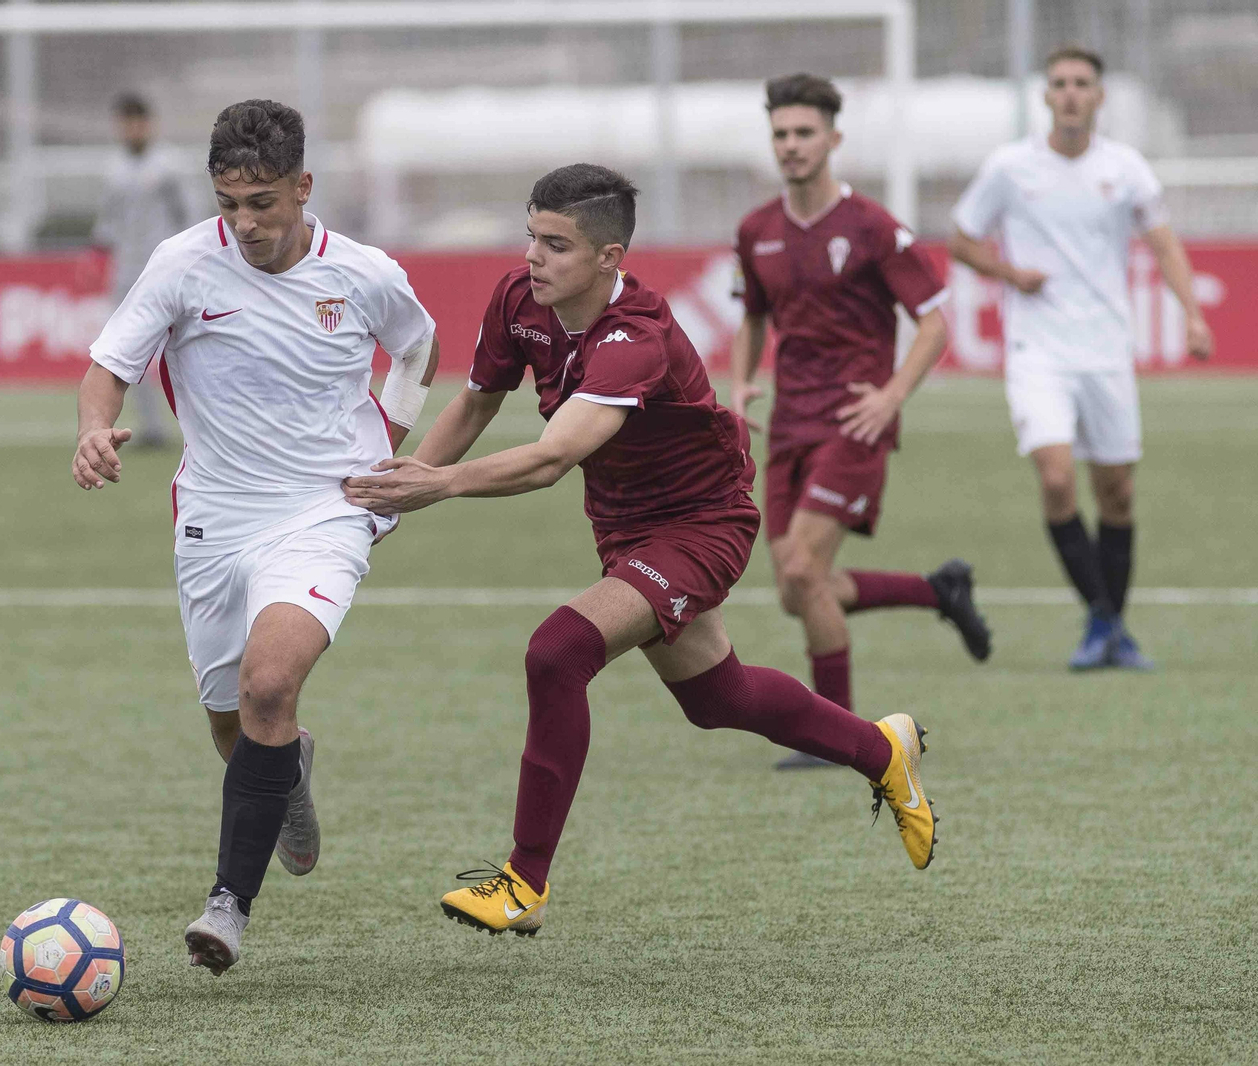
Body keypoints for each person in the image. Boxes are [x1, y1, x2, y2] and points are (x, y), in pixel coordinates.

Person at [344, 164, 936, 938]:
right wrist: (408, 483)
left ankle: (524, 882)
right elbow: (479, 399)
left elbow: (554, 458)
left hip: (702, 524)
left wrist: (441, 486)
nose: (534, 258)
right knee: (717, 700)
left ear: (608, 257)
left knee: (557, 654)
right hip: (625, 526)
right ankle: (880, 748)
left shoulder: (636, 340)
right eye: (531, 236)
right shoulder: (520, 300)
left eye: (557, 245)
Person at [74, 99, 440, 973]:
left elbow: (420, 348)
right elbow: (110, 365)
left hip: (324, 510)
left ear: (304, 188)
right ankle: (291, 771)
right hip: (214, 519)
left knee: (269, 684)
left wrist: (388, 445)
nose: (246, 223)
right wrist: (93, 428)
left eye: (265, 202)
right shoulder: (182, 263)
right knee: (233, 724)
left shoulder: (363, 272)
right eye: (230, 202)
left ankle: (226, 909)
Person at [730, 73, 991, 770]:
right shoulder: (756, 231)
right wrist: (740, 384)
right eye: (781, 134)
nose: (791, 145)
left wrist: (892, 395)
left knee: (806, 570)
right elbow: (753, 315)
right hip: (789, 423)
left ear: (833, 139)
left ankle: (840, 737)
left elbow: (934, 321)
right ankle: (939, 590)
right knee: (796, 587)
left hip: (855, 422)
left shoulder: (873, 226)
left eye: (804, 132)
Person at [949, 46, 1214, 670]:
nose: (1070, 93)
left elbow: (1164, 243)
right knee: (1058, 477)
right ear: (1045, 96)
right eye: (1060, 83)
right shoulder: (1010, 167)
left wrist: (1193, 314)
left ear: (1099, 97)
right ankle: (1103, 621)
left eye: (1082, 84)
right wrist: (1011, 272)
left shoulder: (1125, 168)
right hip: (1037, 349)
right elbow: (962, 239)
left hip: (1106, 350)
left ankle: (1108, 629)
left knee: (1117, 491)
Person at [91, 92, 201, 447]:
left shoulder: (169, 166)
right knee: (124, 352)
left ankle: (205, 427)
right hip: (127, 273)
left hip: (170, 273)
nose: (132, 129)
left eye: (138, 122)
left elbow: (192, 216)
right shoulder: (113, 169)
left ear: (148, 125)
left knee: (192, 348)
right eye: (125, 123)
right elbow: (108, 222)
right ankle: (151, 428)